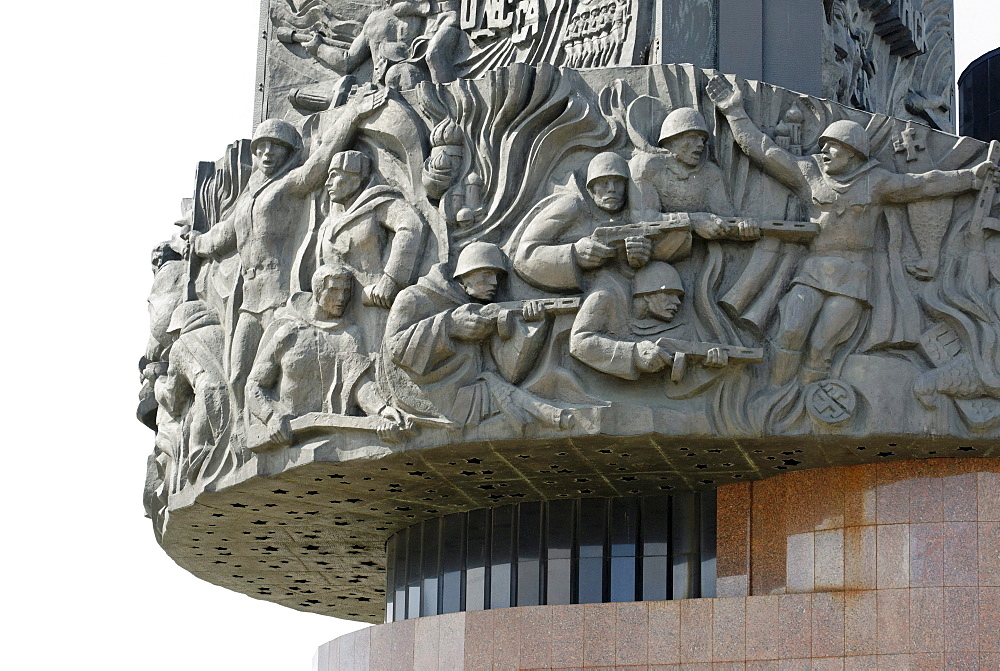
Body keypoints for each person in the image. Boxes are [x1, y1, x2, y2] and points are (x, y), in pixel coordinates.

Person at [707, 74, 998, 386]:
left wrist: (970, 178)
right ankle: (774, 396)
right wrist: (734, 111)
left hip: (853, 280)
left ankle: (802, 404)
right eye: (825, 146)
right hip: (813, 272)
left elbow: (923, 184)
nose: (826, 152)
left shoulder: (877, 182)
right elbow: (764, 151)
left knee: (822, 346)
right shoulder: (810, 174)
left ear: (854, 153)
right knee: (790, 332)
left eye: (834, 147)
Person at [188, 88, 386, 407]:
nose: (267, 153)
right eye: (262, 147)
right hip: (248, 303)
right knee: (238, 375)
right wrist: (195, 242)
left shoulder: (289, 186)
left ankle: (282, 421)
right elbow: (223, 236)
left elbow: (319, 161)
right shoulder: (246, 202)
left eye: (275, 147)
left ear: (289, 151)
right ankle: (249, 433)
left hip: (278, 298)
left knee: (274, 373)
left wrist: (352, 115)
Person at [380, 242, 570, 429]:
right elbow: (395, 347)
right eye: (486, 275)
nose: (494, 283)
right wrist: (449, 326)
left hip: (473, 392)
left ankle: (558, 418)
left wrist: (532, 326)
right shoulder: (414, 297)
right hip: (432, 400)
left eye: (496, 276)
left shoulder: (482, 310)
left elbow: (510, 373)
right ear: (464, 274)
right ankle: (556, 418)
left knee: (548, 384)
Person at [246, 263, 388, 448]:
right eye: (334, 290)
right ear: (317, 291)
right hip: (290, 435)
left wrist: (382, 410)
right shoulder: (289, 332)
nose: (342, 298)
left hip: (331, 437)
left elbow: (358, 383)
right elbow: (254, 385)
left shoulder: (350, 334)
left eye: (346, 291)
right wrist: (271, 416)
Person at [510, 152, 690, 292]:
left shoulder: (631, 215)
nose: (611, 189)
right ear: (591, 188)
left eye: (617, 182)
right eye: (603, 183)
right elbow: (524, 256)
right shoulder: (571, 205)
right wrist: (574, 253)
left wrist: (638, 257)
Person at [570, 262, 728, 379]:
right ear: (647, 293)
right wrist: (634, 354)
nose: (678, 302)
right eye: (670, 294)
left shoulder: (677, 322)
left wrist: (708, 364)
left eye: (678, 296)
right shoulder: (606, 295)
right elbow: (579, 342)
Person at [316, 150, 427, 310]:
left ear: (356, 178)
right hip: (342, 314)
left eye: (334, 175)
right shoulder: (329, 222)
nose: (327, 183)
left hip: (378, 302)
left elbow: (412, 225)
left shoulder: (379, 203)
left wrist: (392, 280)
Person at [155, 301, 235, 487]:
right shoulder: (222, 332)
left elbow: (174, 401)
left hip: (206, 400)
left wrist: (158, 384)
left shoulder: (182, 344)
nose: (174, 338)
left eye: (174, 333)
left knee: (199, 459)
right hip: (233, 396)